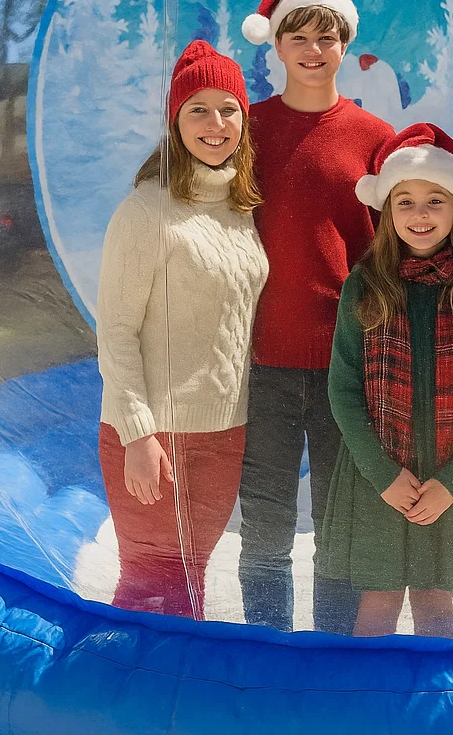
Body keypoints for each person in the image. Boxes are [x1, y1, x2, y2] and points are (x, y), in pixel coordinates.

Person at [237, 0, 395, 633]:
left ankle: (332, 662)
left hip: (346, 368)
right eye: (296, 36)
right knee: (266, 523)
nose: (312, 49)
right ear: (275, 46)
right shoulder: (245, 129)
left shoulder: (376, 138)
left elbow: (396, 254)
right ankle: (267, 660)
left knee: (339, 525)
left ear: (343, 43)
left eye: (325, 37)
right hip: (262, 361)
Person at [96, 40, 268, 619]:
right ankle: (113, 704)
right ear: (174, 120)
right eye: (197, 108)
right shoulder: (146, 211)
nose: (215, 124)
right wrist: (138, 436)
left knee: (189, 585)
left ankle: (170, 707)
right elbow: (116, 333)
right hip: (154, 435)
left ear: (244, 118)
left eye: (228, 109)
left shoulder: (242, 209)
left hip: (224, 432)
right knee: (148, 588)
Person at [319, 124, 453, 638]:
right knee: (376, 606)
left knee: (435, 605)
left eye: (434, 201)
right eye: (405, 202)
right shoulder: (366, 284)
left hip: (447, 474)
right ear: (386, 211)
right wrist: (382, 474)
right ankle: (364, 711)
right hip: (379, 474)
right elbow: (343, 388)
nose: (420, 216)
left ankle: (434, 714)